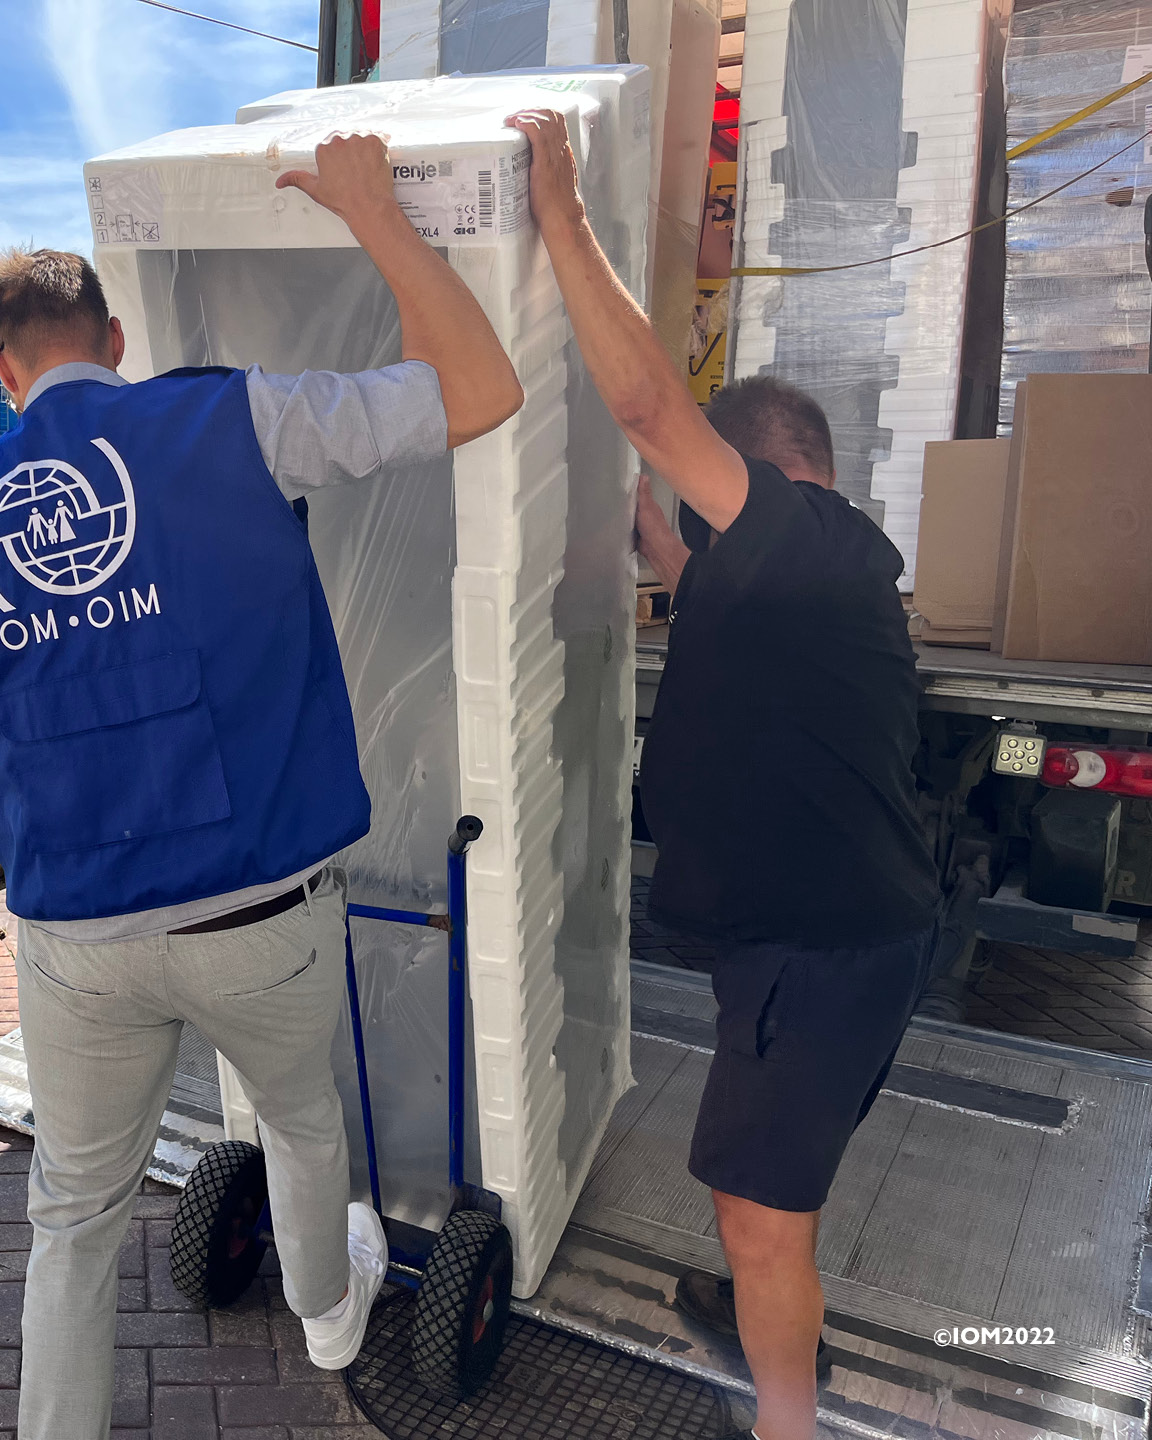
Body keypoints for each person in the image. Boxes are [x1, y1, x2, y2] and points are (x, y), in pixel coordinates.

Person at [0, 134, 524, 1440]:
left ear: (0, 367)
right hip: (260, 905)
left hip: (73, 928)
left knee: (72, 1219)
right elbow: (479, 390)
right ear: (117, 338)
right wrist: (375, 211)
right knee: (305, 1126)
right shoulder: (232, 416)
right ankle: (329, 1320)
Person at [507, 110, 939, 1440]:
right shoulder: (816, 568)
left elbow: (647, 403)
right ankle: (767, 1315)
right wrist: (646, 514)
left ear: (754, 476)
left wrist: (562, 215)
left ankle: (786, 1423)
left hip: (817, 955)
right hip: (827, 944)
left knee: (761, 1219)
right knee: (761, 1199)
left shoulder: (793, 533)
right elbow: (694, 572)